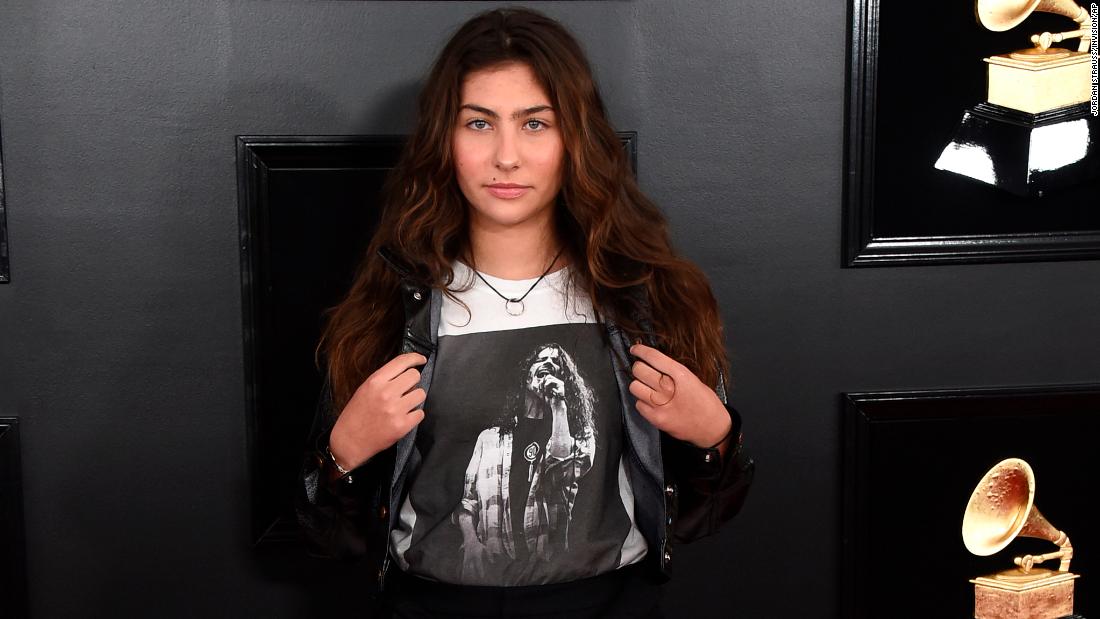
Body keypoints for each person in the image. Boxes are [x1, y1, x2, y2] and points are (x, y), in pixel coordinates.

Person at [297, 7, 754, 618]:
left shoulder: (646, 297)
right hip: (429, 604)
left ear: (574, 140)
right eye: (480, 123)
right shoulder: (393, 302)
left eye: (536, 123)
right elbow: (331, 535)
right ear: (445, 138)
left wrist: (715, 439)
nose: (506, 156)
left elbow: (706, 516)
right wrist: (342, 457)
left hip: (607, 602)